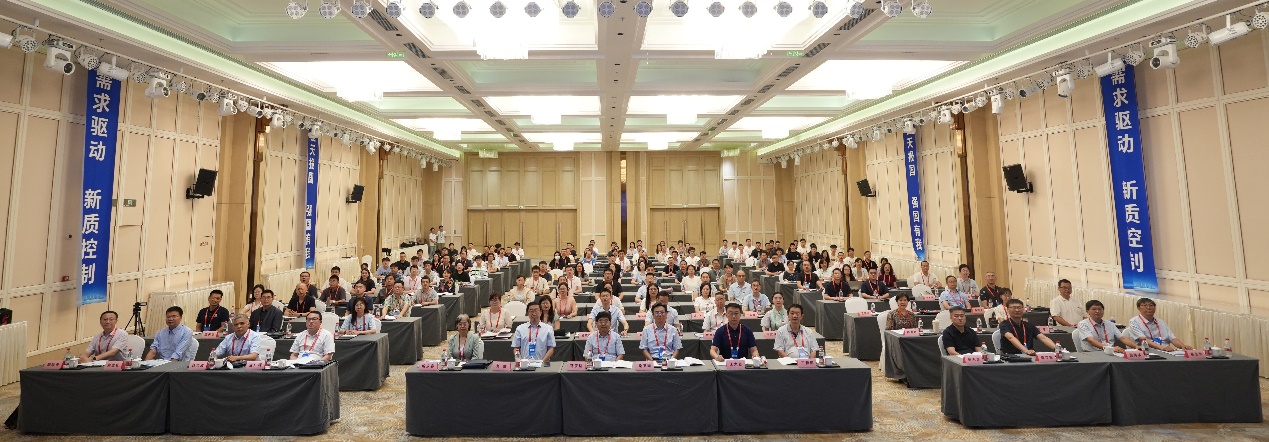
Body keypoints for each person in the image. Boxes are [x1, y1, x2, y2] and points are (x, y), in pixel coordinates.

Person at [1127, 297, 1193, 351]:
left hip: (1166, 351)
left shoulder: (1161, 322)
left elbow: (1172, 338)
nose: (1148, 308)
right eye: (1144, 305)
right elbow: (1144, 340)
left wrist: (1183, 346)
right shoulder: (1134, 321)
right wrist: (1162, 348)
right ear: (1138, 308)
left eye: (1151, 305)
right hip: (1148, 351)